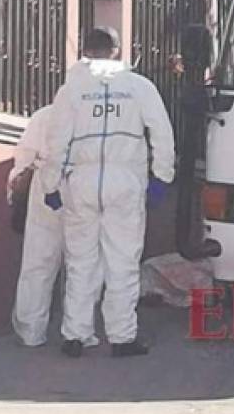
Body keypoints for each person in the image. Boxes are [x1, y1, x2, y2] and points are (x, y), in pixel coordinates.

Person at [40, 27, 175, 358]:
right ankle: (122, 338)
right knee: (123, 261)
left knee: (80, 262)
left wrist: (50, 184)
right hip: (125, 182)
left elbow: (55, 141)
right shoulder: (139, 87)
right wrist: (161, 178)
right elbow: (162, 132)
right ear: (116, 51)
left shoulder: (71, 90)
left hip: (81, 183)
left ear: (84, 50)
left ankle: (75, 335)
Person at [8, 106, 102, 347]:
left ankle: (30, 331)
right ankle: (78, 332)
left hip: (46, 183)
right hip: (86, 186)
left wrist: (14, 193)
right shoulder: (101, 116)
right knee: (83, 263)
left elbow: (23, 160)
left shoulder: (45, 115)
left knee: (38, 261)